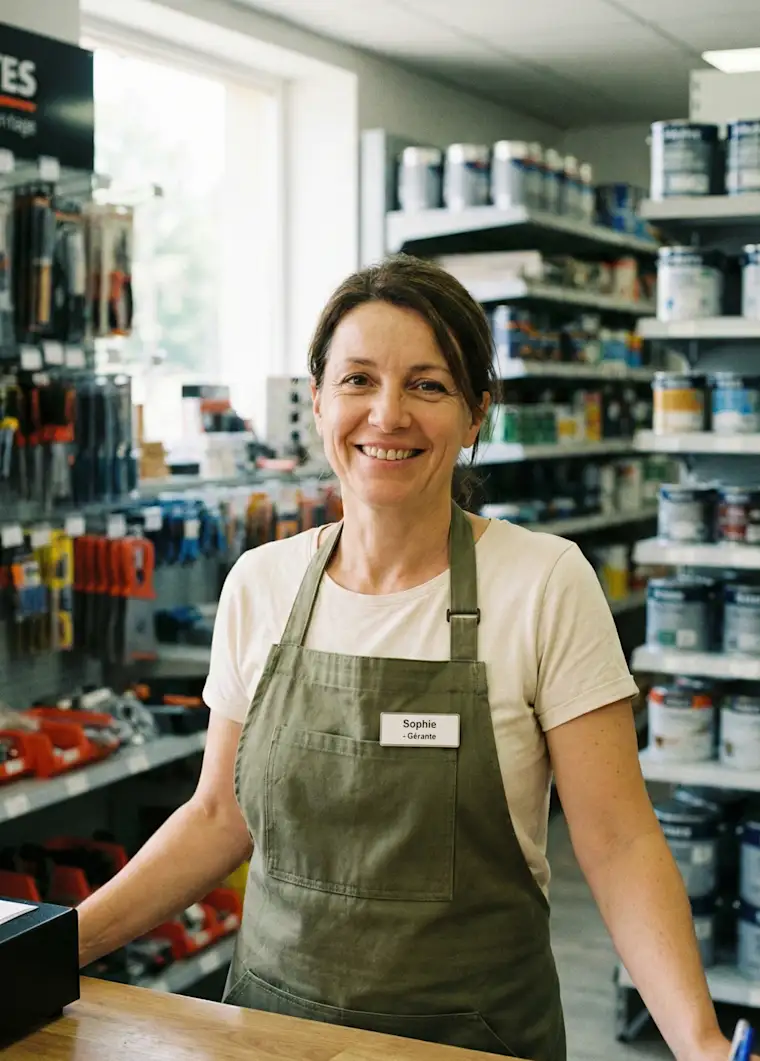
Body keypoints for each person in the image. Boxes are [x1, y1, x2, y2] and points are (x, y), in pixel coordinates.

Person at [78, 255, 732, 1061]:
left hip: (474, 1040)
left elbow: (618, 840)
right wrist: (55, 945)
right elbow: (220, 816)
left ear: (475, 413)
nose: (387, 414)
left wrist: (701, 1042)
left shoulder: (544, 581)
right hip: (274, 1032)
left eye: (427, 385)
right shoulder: (262, 583)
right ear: (317, 399)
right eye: (358, 379)